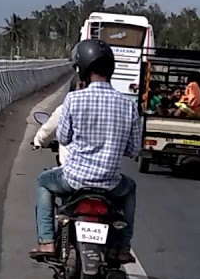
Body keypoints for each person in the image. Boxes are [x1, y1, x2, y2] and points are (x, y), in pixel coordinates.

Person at [30, 39, 140, 263]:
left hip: (74, 180)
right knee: (130, 188)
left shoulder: (74, 99)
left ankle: (47, 241)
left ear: (83, 69)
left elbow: (63, 138)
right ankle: (121, 247)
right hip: (110, 183)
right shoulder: (128, 105)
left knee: (43, 181)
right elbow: (133, 148)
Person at [32, 74, 86, 164]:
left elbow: (47, 131)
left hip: (71, 170)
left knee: (42, 178)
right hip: (106, 173)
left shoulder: (66, 108)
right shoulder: (107, 109)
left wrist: (38, 140)